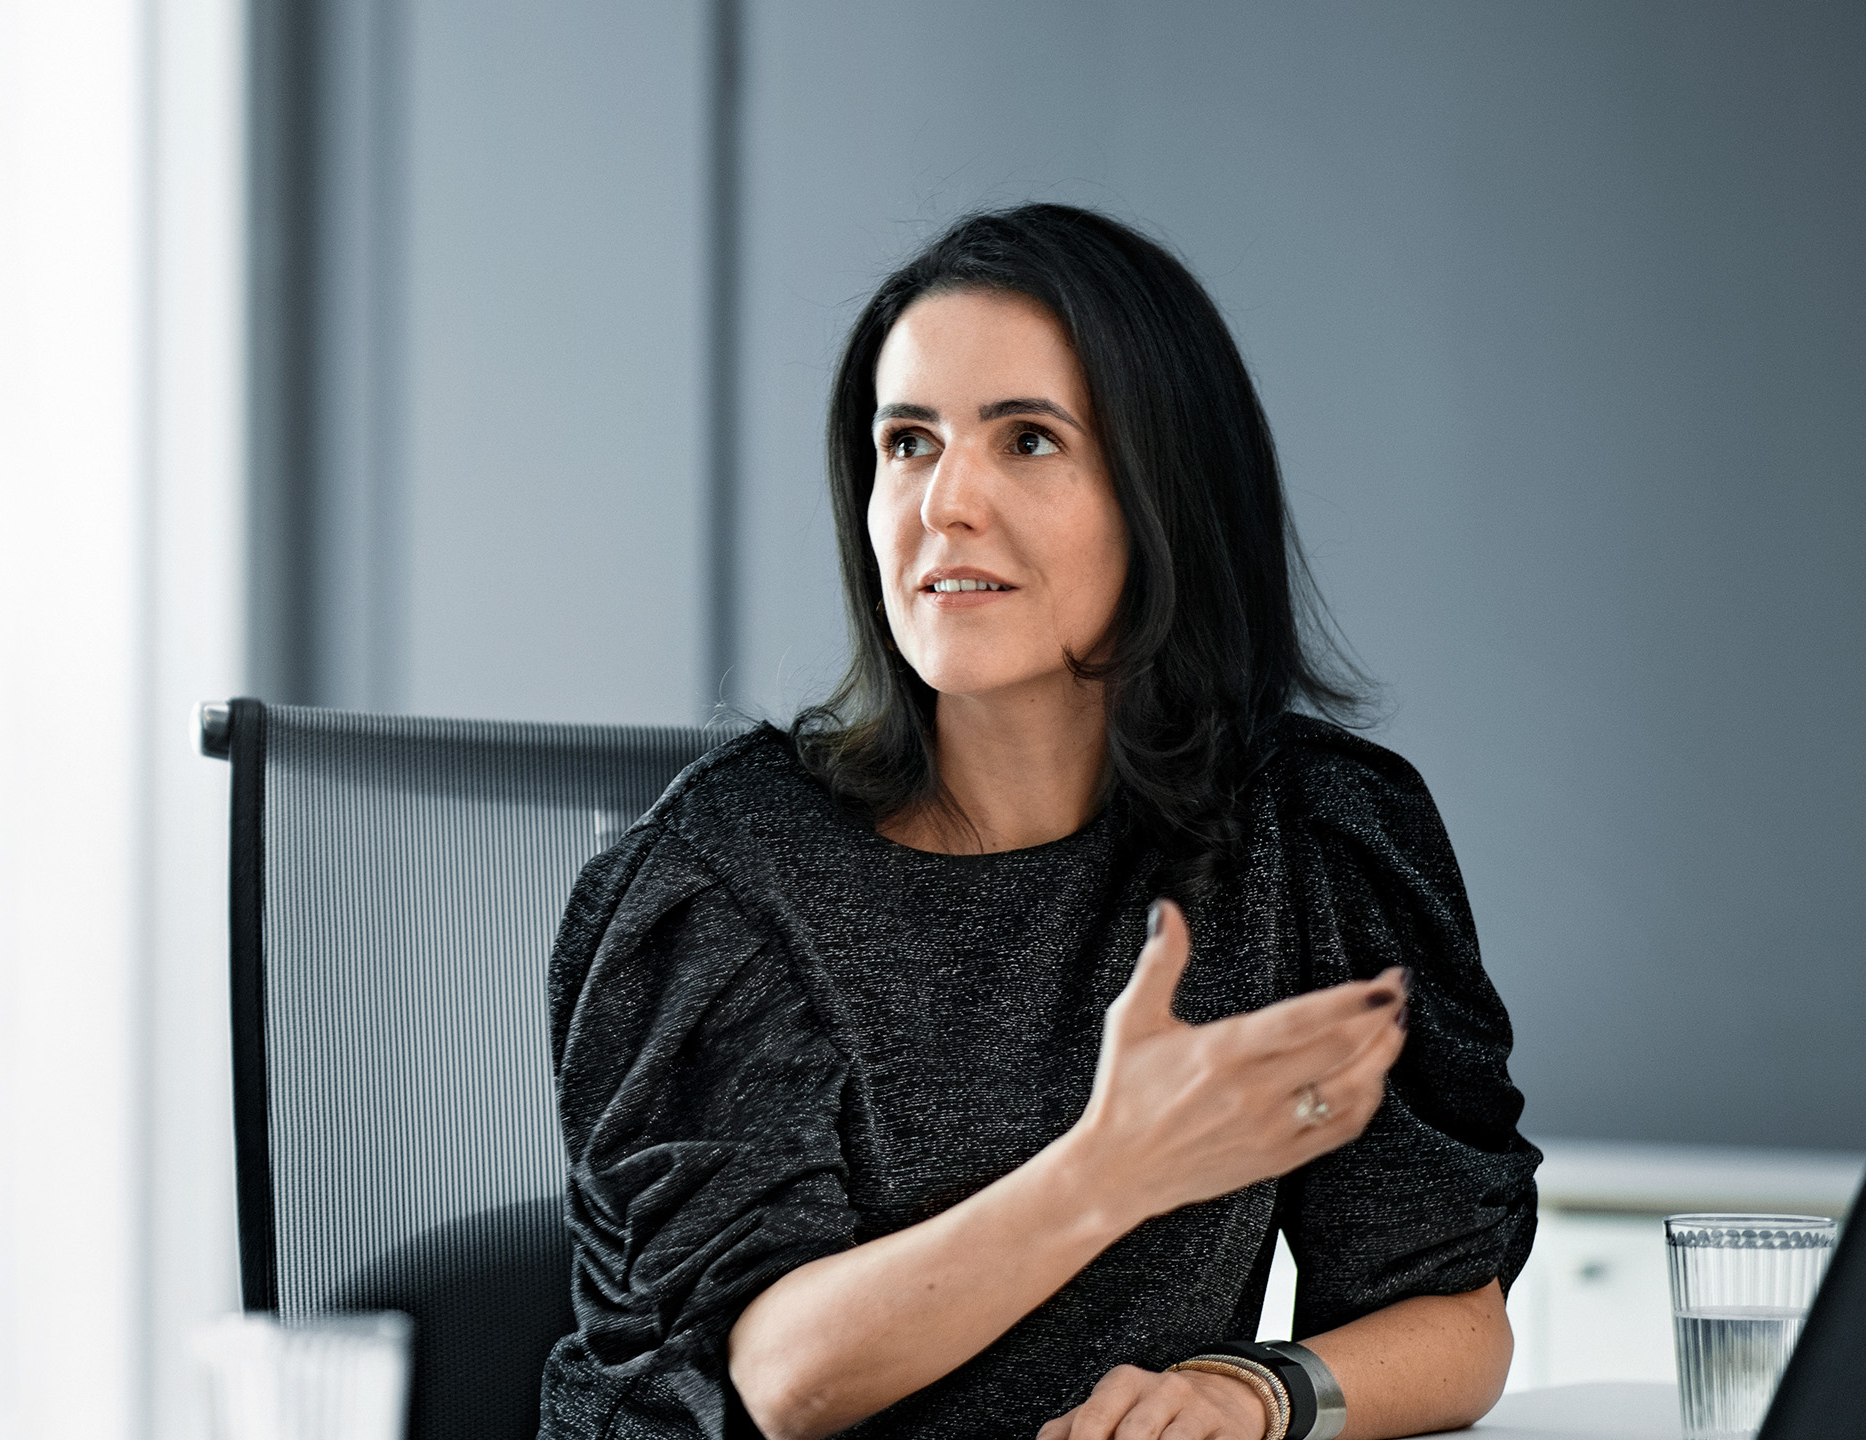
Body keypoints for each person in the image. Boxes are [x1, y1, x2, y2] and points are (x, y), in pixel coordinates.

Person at [538, 204, 1538, 1440]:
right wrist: (1108, 1169)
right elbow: (776, 1380)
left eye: (1026, 440)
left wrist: (1249, 1396)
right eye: (908, 443)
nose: (942, 503)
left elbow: (1452, 1317)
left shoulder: (1312, 836)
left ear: (1164, 494)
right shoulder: (730, 877)